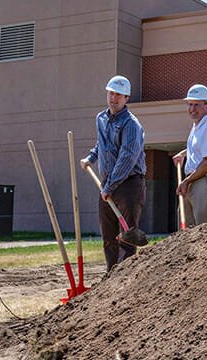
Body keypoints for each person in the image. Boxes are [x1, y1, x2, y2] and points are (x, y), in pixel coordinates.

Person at [80, 75, 147, 271]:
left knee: (127, 237)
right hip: (107, 184)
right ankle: (110, 276)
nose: (113, 98)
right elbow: (101, 145)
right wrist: (90, 158)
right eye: (111, 93)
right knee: (109, 236)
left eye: (119, 94)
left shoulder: (131, 125)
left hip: (129, 185)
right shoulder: (101, 118)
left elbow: (127, 158)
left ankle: (124, 278)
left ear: (126, 98)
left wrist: (109, 187)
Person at [172, 84, 207, 226]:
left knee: (204, 232)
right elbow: (200, 150)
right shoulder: (197, 127)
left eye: (196, 105)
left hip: (204, 182)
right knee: (187, 232)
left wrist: (186, 181)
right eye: (189, 104)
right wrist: (184, 154)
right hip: (194, 181)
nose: (192, 109)